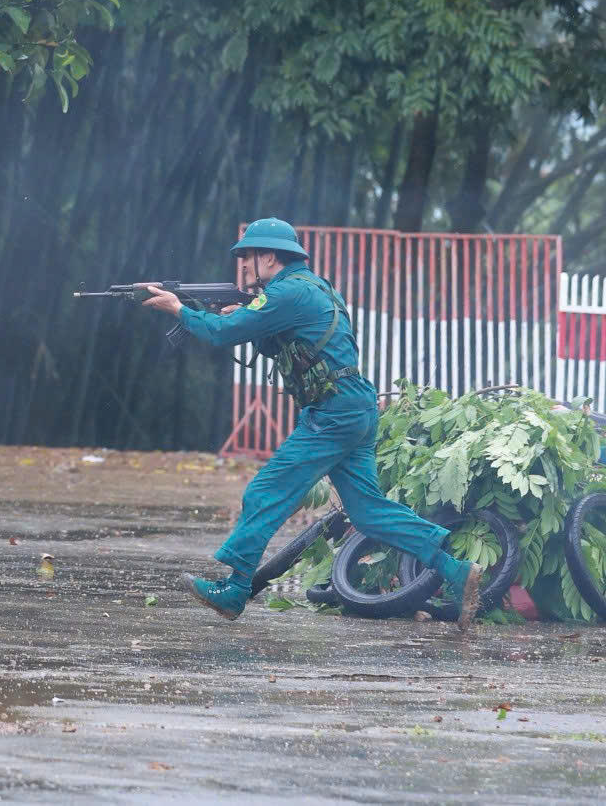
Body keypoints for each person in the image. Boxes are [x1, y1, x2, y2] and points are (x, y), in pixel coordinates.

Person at [142, 218, 483, 630]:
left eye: (248, 257)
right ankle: (455, 569)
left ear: (269, 256)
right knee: (369, 513)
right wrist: (247, 319)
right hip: (353, 407)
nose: (244, 266)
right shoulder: (315, 288)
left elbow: (221, 334)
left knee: (265, 491)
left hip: (333, 412)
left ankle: (234, 590)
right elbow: (288, 343)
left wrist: (179, 308)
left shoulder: (286, 292)